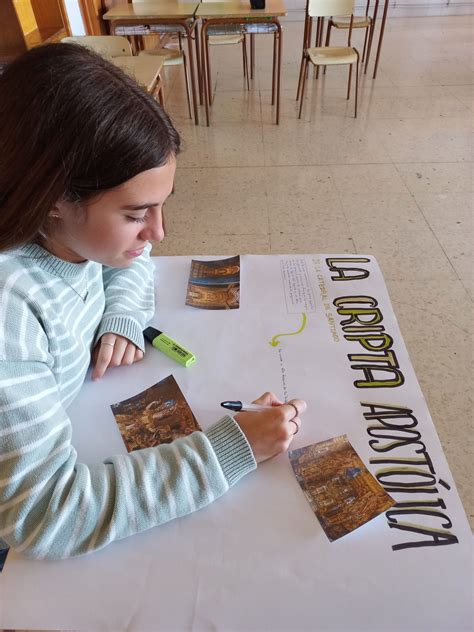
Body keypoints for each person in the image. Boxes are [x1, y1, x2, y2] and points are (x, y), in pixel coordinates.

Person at [0, 43, 306, 560]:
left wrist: (120, 315)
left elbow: (131, 259)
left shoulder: (72, 233)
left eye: (161, 206)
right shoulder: (10, 315)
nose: (159, 233)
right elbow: (47, 513)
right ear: (54, 198)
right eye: (137, 213)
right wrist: (233, 449)